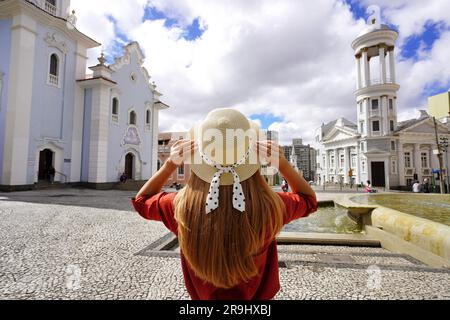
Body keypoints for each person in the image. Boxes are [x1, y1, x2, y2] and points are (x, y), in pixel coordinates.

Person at [131, 108, 317, 300]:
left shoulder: (180, 206)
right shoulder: (271, 206)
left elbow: (141, 201)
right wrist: (282, 165)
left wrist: (170, 163)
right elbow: (308, 200)